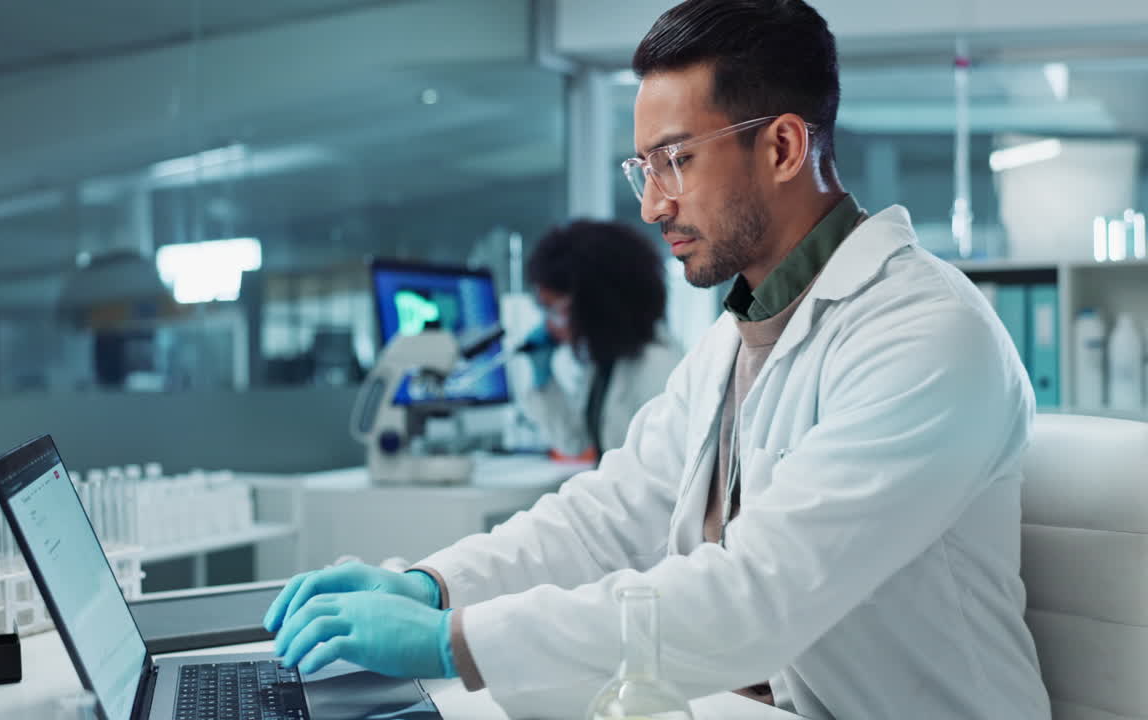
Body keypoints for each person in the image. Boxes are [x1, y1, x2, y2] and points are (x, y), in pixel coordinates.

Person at [261, 1, 1052, 718]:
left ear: (782, 146)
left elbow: (755, 598)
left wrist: (452, 640)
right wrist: (432, 586)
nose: (651, 205)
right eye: (643, 169)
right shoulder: (737, 332)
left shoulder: (924, 334)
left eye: (676, 161)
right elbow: (608, 515)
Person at [516, 219, 683, 459]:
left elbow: (658, 477)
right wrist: (544, 381)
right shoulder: (605, 363)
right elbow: (574, 441)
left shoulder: (658, 367)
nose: (549, 323)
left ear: (595, 304)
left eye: (555, 309)